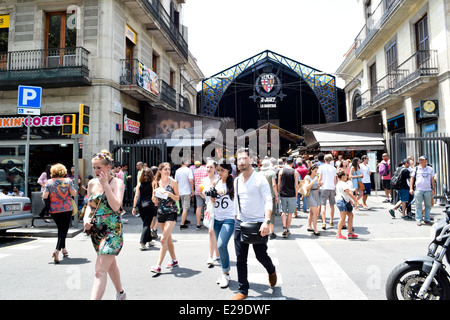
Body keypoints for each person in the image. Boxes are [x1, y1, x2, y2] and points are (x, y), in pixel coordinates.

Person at [232, 148, 276, 300]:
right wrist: (235, 218)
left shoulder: (259, 179)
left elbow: (268, 200)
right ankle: (243, 290)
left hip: (258, 224)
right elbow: (236, 202)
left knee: (261, 256)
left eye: (244, 158)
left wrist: (266, 221)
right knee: (240, 258)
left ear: (251, 160)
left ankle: (271, 270)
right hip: (240, 223)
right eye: (239, 159)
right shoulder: (236, 180)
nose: (242, 162)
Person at [83, 150, 126, 300]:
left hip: (112, 230)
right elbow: (90, 205)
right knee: (110, 264)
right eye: (94, 167)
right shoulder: (91, 183)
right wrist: (85, 219)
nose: (96, 171)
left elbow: (116, 207)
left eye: (99, 167)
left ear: (108, 167)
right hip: (96, 230)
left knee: (99, 271)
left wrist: (106, 186)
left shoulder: (117, 183)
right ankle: (121, 293)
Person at [43, 163, 77, 263]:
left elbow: (45, 196)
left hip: (54, 210)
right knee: (64, 230)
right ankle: (57, 250)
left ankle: (64, 249)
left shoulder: (49, 182)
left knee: (60, 229)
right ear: (64, 171)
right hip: (66, 208)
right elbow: (74, 193)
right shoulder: (68, 181)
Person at [150, 162, 180, 274]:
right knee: (168, 238)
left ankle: (158, 266)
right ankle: (174, 260)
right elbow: (154, 201)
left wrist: (169, 194)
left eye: (169, 169)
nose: (168, 171)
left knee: (163, 239)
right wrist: (154, 195)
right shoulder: (156, 183)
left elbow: (177, 198)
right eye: (165, 169)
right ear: (160, 170)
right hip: (161, 212)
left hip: (171, 212)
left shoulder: (173, 182)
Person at [211, 159, 235, 288]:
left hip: (229, 218)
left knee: (221, 245)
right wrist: (211, 194)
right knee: (220, 247)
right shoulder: (216, 182)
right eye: (218, 170)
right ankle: (224, 273)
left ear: (228, 171)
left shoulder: (234, 183)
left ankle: (226, 274)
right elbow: (213, 201)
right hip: (217, 218)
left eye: (222, 170)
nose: (219, 172)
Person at [132, 168, 157, 250]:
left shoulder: (139, 184)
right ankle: (142, 243)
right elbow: (155, 194)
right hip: (150, 205)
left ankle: (149, 240)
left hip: (141, 206)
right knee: (147, 224)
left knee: (146, 223)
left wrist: (134, 207)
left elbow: (136, 196)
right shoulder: (153, 183)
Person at [200, 160, 220, 265]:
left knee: (214, 232)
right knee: (211, 232)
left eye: (211, 167)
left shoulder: (218, 180)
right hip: (209, 207)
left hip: (218, 208)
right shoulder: (203, 180)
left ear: (215, 169)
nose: (209, 169)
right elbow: (202, 194)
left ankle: (215, 255)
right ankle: (213, 256)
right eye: (207, 167)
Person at [410, 156, 435, 226]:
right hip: (418, 190)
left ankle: (427, 219)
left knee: (428, 205)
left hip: (428, 190)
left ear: (426, 161)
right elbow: (412, 178)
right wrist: (411, 188)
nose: (421, 161)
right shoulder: (416, 168)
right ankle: (418, 220)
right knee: (418, 205)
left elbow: (432, 179)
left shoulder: (430, 169)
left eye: (422, 160)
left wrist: (433, 189)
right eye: (420, 160)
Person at [335, 171, 361, 239]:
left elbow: (345, 194)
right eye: (346, 175)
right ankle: (338, 233)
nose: (347, 177)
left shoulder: (339, 183)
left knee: (350, 215)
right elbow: (349, 193)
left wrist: (350, 200)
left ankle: (350, 233)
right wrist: (357, 202)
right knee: (343, 217)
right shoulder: (344, 184)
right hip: (342, 201)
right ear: (344, 177)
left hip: (342, 200)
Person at [278, 157, 299, 238]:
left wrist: (279, 192)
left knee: (283, 211)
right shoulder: (295, 172)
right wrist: (296, 194)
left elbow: (279, 184)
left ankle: (284, 228)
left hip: (283, 193)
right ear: (292, 163)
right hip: (292, 194)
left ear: (286, 162)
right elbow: (296, 185)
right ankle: (287, 228)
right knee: (290, 213)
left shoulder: (281, 171)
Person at [260, 159, 278, 239]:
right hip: (271, 195)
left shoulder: (259, 173)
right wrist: (276, 195)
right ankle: (271, 232)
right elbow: (274, 185)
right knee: (272, 213)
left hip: (261, 196)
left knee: (262, 213)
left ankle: (262, 230)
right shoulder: (272, 173)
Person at [318, 154, 337, 230]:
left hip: (324, 187)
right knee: (332, 205)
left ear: (324, 159)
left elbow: (320, 179)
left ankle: (324, 221)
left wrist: (319, 185)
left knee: (323, 205)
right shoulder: (333, 168)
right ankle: (331, 220)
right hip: (332, 187)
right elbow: (335, 180)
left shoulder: (321, 167)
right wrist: (335, 187)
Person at [175, 159, 194, 229]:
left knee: (183, 206)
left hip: (180, 191)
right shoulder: (188, 170)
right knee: (186, 207)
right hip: (186, 191)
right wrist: (192, 190)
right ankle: (182, 224)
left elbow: (175, 181)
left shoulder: (177, 171)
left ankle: (184, 219)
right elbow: (191, 180)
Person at [304, 165, 321, 236]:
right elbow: (307, 187)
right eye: (315, 171)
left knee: (312, 212)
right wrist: (314, 180)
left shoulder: (315, 177)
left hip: (315, 194)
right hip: (310, 194)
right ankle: (315, 228)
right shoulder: (308, 177)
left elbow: (317, 186)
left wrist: (319, 184)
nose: (316, 172)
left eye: (317, 171)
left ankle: (309, 226)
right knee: (315, 212)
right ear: (311, 170)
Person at [194, 161, 208, 230]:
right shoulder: (207, 170)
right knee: (208, 207)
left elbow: (194, 181)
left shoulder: (196, 170)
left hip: (198, 191)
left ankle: (198, 224)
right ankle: (207, 222)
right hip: (206, 191)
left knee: (199, 207)